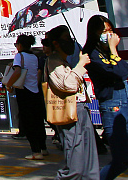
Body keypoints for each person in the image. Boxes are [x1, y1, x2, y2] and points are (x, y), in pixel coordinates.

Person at [82, 15, 128, 180]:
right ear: (94, 33)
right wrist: (113, 50)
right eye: (104, 31)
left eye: (110, 30)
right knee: (121, 161)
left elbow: (124, 68)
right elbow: (119, 72)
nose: (109, 35)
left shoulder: (108, 52)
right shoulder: (91, 54)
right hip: (113, 107)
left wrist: (113, 52)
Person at [44, 25, 97, 180]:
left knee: (89, 161)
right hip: (70, 112)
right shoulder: (53, 61)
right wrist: (80, 66)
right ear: (56, 43)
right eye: (67, 38)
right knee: (76, 163)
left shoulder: (65, 62)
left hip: (81, 109)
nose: (71, 42)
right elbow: (68, 85)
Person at [5, 34, 47, 160]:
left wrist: (9, 85)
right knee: (38, 121)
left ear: (20, 45)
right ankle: (43, 148)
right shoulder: (34, 57)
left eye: (16, 44)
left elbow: (17, 72)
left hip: (24, 91)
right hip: (35, 91)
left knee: (28, 122)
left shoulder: (19, 56)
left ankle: (36, 151)